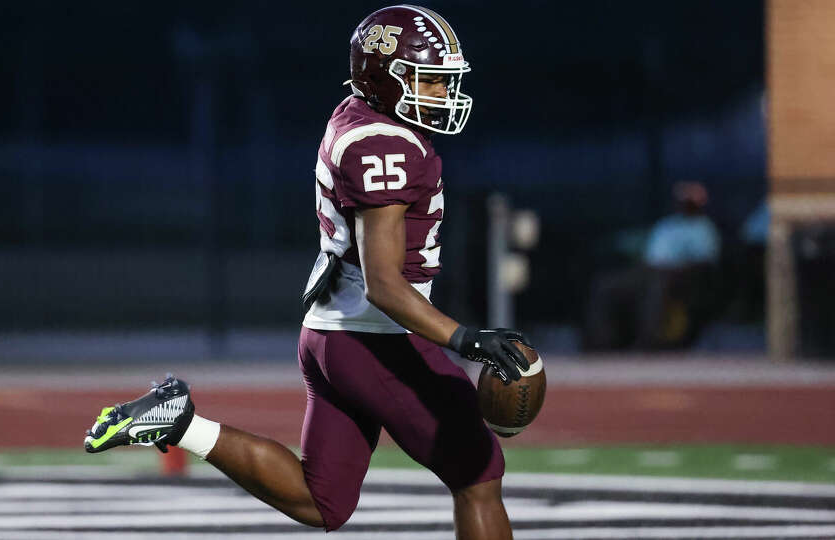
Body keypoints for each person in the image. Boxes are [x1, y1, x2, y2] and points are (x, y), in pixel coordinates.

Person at [83, 5, 529, 538]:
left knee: (323, 500)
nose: (440, 94)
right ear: (384, 79)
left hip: (331, 333)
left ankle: (180, 422)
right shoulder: (385, 145)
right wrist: (464, 338)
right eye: (428, 81)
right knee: (478, 474)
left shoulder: (356, 115)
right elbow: (386, 285)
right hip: (376, 337)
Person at [584, 181, 721, 350]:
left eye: (690, 201)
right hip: (647, 270)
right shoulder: (666, 225)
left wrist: (671, 270)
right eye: (683, 200)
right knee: (604, 284)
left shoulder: (704, 228)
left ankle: (649, 343)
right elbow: (648, 254)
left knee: (657, 285)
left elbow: (705, 263)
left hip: (679, 276)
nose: (685, 204)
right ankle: (601, 343)